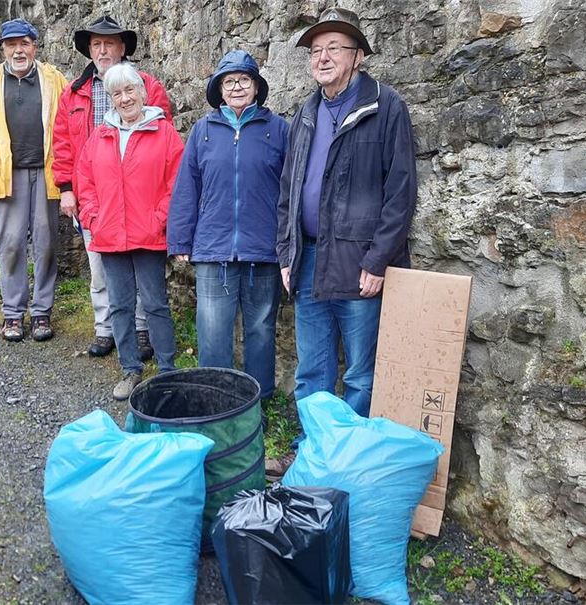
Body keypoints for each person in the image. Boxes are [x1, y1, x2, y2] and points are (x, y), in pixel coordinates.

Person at [270, 7, 418, 478]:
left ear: (358, 56)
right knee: (311, 370)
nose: (323, 57)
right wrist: (287, 252)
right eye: (316, 50)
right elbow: (289, 190)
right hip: (309, 259)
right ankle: (310, 453)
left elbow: (401, 191)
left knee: (359, 373)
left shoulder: (385, 105)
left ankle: (348, 463)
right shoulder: (306, 113)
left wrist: (379, 260)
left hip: (360, 263)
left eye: (335, 47)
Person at [168, 50, 288, 401]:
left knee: (261, 330)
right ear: (219, 89)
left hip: (262, 250)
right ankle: (216, 401)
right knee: (213, 332)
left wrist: (287, 242)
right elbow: (187, 186)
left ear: (256, 87)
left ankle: (258, 402)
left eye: (244, 80)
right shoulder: (202, 131)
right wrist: (180, 239)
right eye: (229, 81)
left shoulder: (279, 130)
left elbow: (291, 189)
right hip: (213, 248)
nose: (237, 87)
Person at [52, 15, 173, 360]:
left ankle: (141, 330)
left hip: (139, 198)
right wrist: (67, 188)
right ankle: (106, 329)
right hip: (96, 197)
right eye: (96, 44)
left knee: (143, 276)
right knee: (100, 270)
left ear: (122, 48)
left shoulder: (148, 85)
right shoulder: (74, 92)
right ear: (89, 50)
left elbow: (162, 139)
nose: (102, 50)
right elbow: (62, 143)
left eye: (109, 43)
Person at [74, 62, 185, 400]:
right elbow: (84, 180)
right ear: (111, 99)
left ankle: (167, 370)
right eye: (117, 93)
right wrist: (93, 217)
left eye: (129, 90)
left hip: (149, 235)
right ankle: (131, 369)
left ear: (142, 92)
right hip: (110, 235)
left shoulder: (163, 132)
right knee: (120, 306)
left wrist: (159, 218)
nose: (124, 99)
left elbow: (177, 181)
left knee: (155, 304)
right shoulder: (100, 136)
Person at [0, 18, 68, 342]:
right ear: (3, 49)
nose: (18, 50)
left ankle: (41, 312)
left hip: (47, 172)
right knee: (11, 243)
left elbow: (66, 129)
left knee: (46, 242)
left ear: (34, 47)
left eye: (24, 43)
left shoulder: (54, 79)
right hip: (6, 175)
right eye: (11, 44)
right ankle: (13, 313)